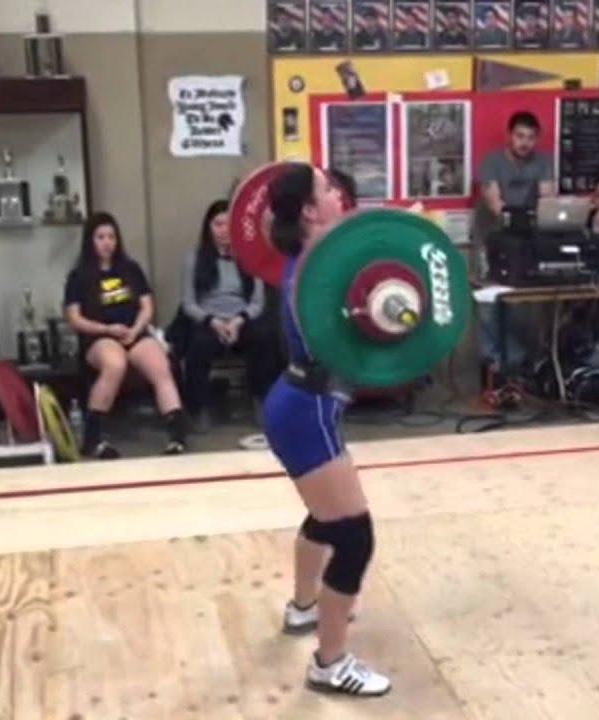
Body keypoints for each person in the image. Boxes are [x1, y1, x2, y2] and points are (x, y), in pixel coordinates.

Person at [262, 162, 390, 697]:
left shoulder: (309, 259)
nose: (338, 194)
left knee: (325, 516)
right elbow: (358, 240)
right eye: (326, 189)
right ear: (311, 211)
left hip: (297, 405)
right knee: (354, 537)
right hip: (306, 411)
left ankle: (302, 609)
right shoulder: (317, 258)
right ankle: (330, 663)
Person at [64, 212, 189, 457]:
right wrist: (106, 330)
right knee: (115, 363)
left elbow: (147, 306)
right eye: (100, 237)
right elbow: (74, 317)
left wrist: (135, 330)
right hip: (100, 336)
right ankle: (93, 437)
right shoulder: (79, 276)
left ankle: (177, 435)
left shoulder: (130, 269)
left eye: (111, 236)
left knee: (159, 365)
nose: (107, 242)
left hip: (133, 332)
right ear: (90, 240)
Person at [178, 199, 281, 426]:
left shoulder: (249, 257)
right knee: (198, 345)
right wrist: (213, 321)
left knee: (265, 337)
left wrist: (237, 322)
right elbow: (188, 303)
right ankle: (199, 408)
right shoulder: (194, 259)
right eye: (217, 224)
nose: (223, 231)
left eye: (228, 224)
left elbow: (257, 302)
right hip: (208, 321)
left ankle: (262, 401)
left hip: (241, 320)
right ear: (208, 228)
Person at [475, 111, 556, 378]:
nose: (525, 143)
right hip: (492, 240)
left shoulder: (544, 162)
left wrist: (539, 213)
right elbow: (495, 205)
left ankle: (518, 364)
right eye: (520, 136)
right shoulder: (491, 163)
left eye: (531, 138)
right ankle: (492, 367)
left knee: (520, 306)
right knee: (489, 306)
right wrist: (525, 214)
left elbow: (548, 199)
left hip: (525, 243)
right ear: (510, 136)